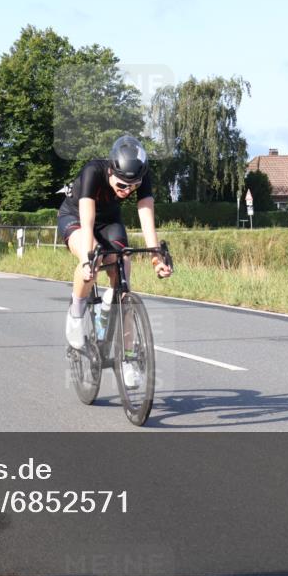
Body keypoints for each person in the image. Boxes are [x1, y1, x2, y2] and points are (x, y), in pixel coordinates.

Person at [57, 135, 172, 387]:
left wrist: (156, 258)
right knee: (93, 258)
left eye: (133, 186)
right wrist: (89, 259)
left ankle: (128, 359)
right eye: (121, 185)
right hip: (75, 217)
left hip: (110, 222)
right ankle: (76, 315)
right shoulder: (93, 171)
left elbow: (146, 216)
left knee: (123, 269)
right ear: (110, 170)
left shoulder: (142, 175)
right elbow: (87, 222)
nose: (127, 190)